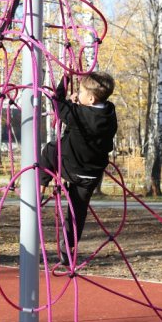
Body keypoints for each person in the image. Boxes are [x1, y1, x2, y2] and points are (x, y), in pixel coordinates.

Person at [38, 71, 118, 266]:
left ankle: (40, 186)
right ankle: (69, 245)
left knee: (49, 149)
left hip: (71, 167)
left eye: (81, 91)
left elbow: (57, 102)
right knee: (77, 211)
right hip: (91, 174)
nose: (78, 93)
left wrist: (65, 80)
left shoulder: (78, 115)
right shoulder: (109, 111)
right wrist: (77, 102)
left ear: (90, 98)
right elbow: (88, 111)